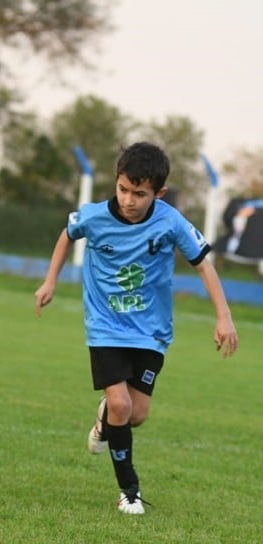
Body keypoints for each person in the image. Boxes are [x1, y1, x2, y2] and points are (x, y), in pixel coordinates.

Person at [34, 142, 239, 515]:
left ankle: (104, 420)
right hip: (105, 325)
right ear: (116, 182)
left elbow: (204, 265)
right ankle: (129, 490)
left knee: (136, 414)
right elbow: (67, 234)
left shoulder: (171, 221)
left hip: (151, 331)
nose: (129, 200)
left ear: (158, 193)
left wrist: (223, 316)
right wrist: (50, 281)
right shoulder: (94, 216)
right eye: (123, 189)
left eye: (139, 194)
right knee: (120, 403)